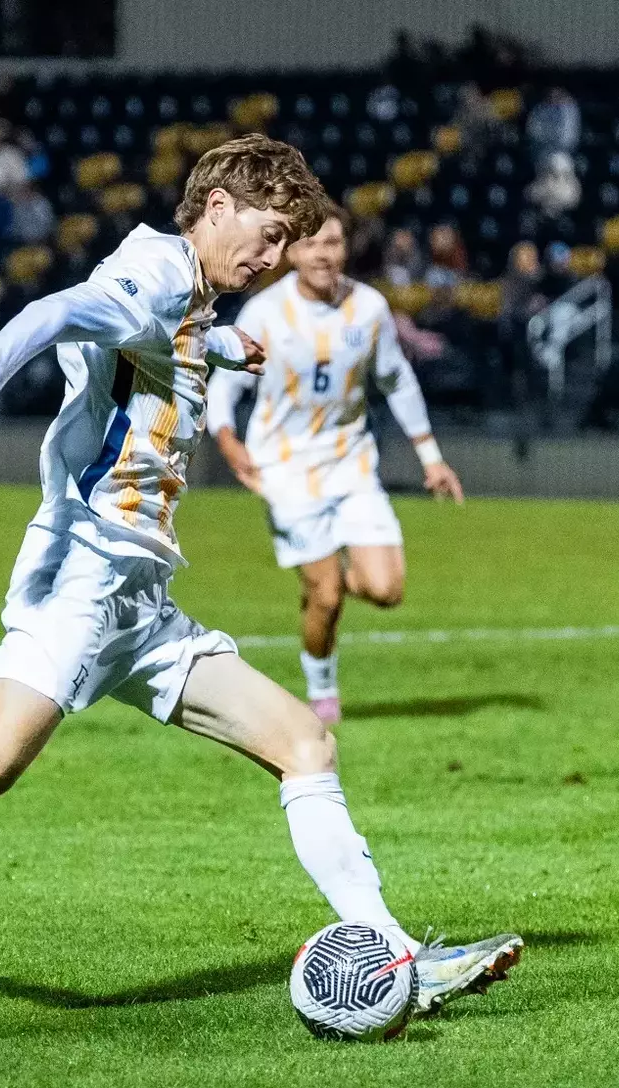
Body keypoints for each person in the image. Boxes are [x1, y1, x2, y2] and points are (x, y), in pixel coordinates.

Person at [0, 136, 522, 1012]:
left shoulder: (187, 290)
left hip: (141, 597)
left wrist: (220, 347)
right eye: (270, 234)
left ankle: (398, 960)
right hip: (83, 571)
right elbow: (58, 310)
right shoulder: (155, 272)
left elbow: (156, 338)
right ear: (218, 208)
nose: (274, 258)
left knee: (305, 746)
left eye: (286, 242)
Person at [206, 207, 464, 724]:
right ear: (292, 253)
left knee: (386, 590)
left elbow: (396, 379)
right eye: (312, 244)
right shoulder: (265, 312)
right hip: (285, 471)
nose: (323, 254)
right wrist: (229, 442)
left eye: (334, 242)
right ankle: (322, 694)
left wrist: (431, 458)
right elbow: (225, 385)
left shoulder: (368, 308)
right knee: (326, 596)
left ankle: (323, 570)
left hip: (351, 465)